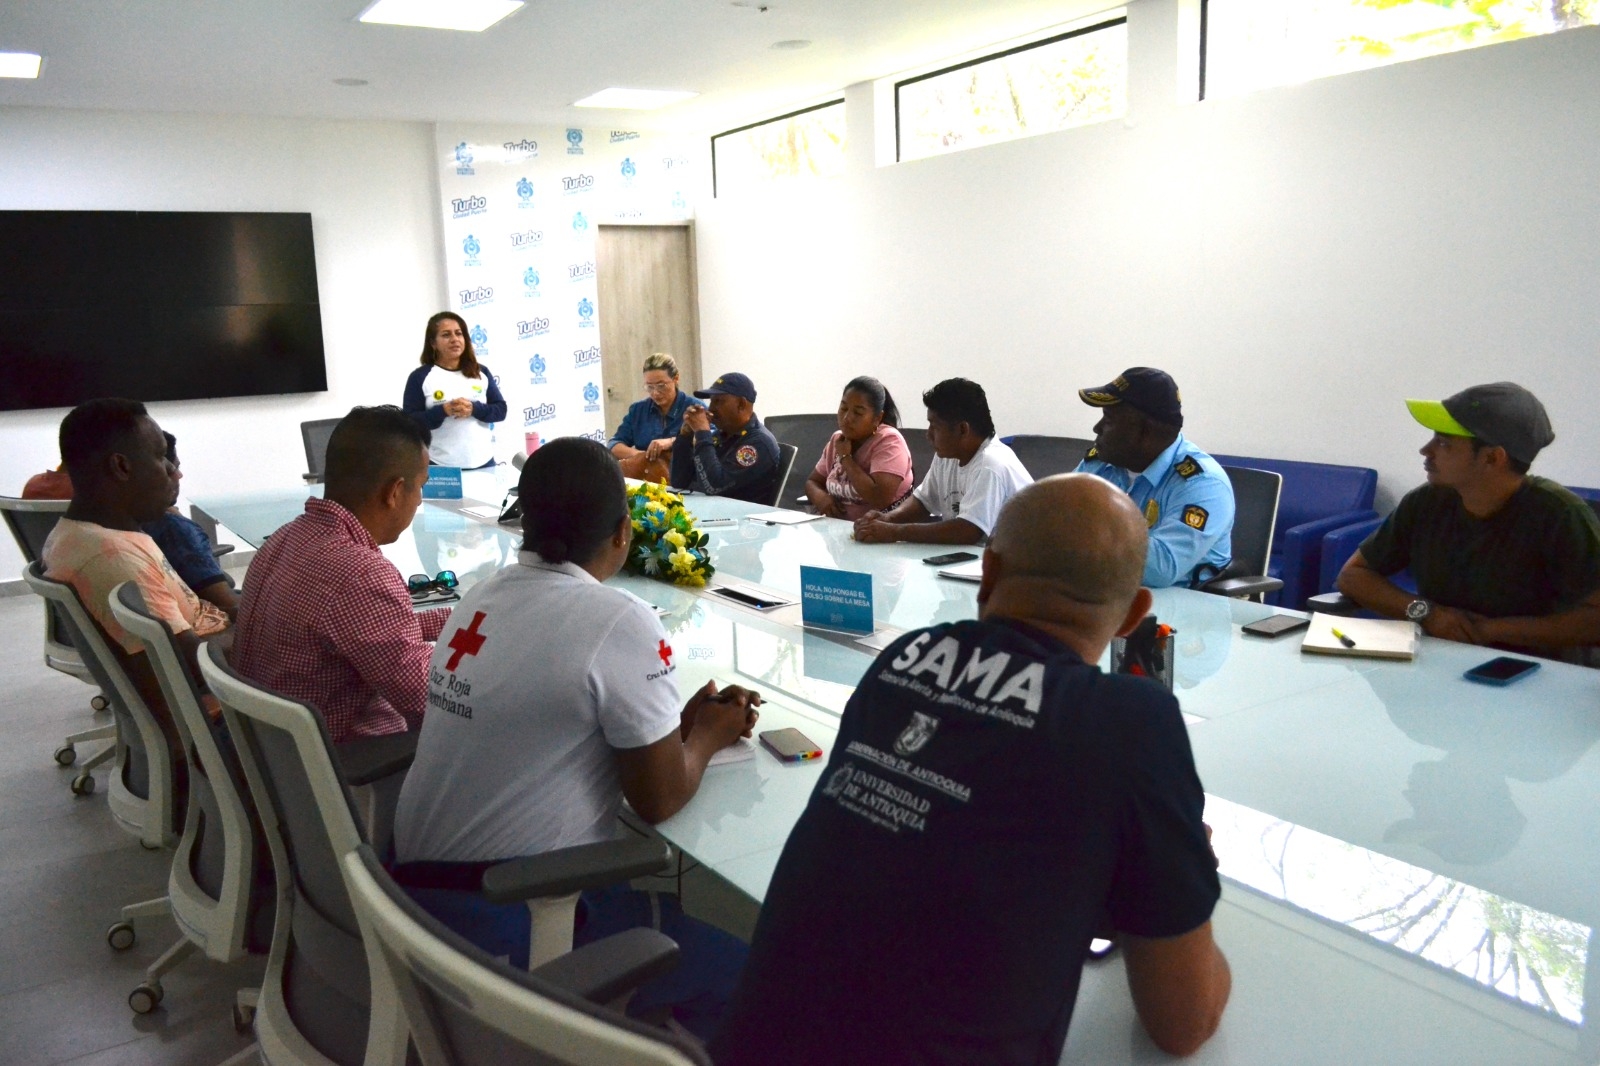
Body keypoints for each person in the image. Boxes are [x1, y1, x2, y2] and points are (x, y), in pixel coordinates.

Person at [712, 474, 1230, 1065]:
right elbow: (1184, 1023)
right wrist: (1180, 871)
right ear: (1137, 611)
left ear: (988, 572)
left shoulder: (900, 661)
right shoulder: (1130, 722)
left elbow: (955, 844)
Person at [393, 436, 759, 1039]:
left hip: (416, 904)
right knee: (751, 980)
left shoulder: (480, 596)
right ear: (622, 533)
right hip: (513, 918)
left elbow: (555, 716)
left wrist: (678, 725)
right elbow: (658, 799)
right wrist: (712, 736)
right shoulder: (617, 618)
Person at [232, 406, 450, 744]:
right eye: (420, 487)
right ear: (394, 492)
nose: (419, 500)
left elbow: (367, 629)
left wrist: (458, 620)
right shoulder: (360, 574)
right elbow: (429, 700)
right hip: (345, 767)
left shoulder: (285, 538)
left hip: (272, 752)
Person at [1337, 382, 1600, 655]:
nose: (1426, 450)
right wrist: (1427, 613)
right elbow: (1353, 575)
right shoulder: (1426, 502)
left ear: (1491, 458)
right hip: (1442, 659)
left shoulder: (1561, 515)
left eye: (1443, 442)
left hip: (1537, 672)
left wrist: (1489, 630)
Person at [41, 398, 231, 764]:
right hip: (221, 724)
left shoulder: (85, 533)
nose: (174, 474)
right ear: (122, 467)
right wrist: (270, 632)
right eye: (162, 458)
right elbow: (199, 665)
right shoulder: (114, 559)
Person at [1075, 367, 1236, 588]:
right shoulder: (1102, 463)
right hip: (1106, 595)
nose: (1097, 428)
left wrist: (1080, 533)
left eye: (1109, 419)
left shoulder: (1203, 484)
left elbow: (1161, 568)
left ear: (1145, 432)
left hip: (1183, 608)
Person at [853, 377, 1031, 545]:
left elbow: (967, 531)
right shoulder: (948, 455)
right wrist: (888, 518)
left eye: (934, 426)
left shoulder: (990, 465)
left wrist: (894, 532)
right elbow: (923, 501)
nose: (928, 434)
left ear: (962, 429)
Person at [142, 432, 238, 615]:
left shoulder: (119, 522)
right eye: (172, 468)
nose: (179, 475)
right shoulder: (175, 529)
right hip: (209, 630)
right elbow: (230, 606)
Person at [402, 311, 507, 469]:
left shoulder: (481, 372)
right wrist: (443, 410)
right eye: (446, 335)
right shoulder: (420, 377)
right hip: (441, 467)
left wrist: (474, 409)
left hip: (485, 463)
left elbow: (500, 410)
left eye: (459, 334)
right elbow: (409, 423)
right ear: (433, 343)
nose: (454, 340)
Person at [804, 375, 914, 521]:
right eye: (843, 408)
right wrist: (822, 499)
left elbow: (880, 499)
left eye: (858, 412)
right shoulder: (838, 439)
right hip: (834, 531)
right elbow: (812, 482)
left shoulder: (890, 441)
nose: (847, 418)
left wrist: (846, 459)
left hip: (875, 534)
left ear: (877, 418)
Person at [669, 371, 781, 504]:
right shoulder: (722, 435)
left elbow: (714, 487)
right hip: (711, 511)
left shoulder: (758, 443)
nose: (711, 409)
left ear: (741, 404)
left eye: (718, 401)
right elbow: (679, 481)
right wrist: (685, 436)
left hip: (739, 518)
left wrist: (702, 433)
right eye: (711, 401)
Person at [609, 352, 694, 483]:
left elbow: (710, 437)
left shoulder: (693, 408)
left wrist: (671, 442)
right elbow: (614, 445)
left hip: (684, 482)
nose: (655, 393)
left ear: (676, 378)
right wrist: (642, 457)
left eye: (661, 386)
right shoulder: (638, 410)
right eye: (649, 387)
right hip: (646, 481)